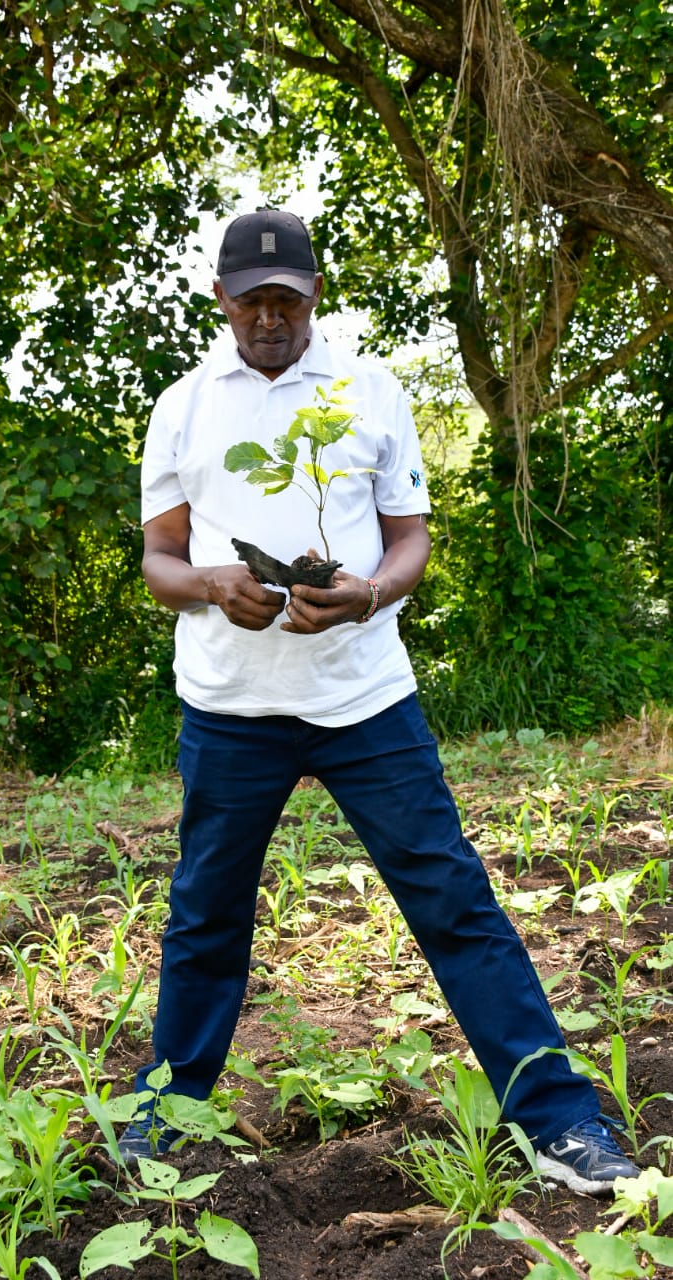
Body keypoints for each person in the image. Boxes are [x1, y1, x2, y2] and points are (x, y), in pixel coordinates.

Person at [118, 208, 640, 1194]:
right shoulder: (181, 405)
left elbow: (409, 539)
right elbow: (158, 557)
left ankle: (562, 1122)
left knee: (454, 900)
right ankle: (163, 1112)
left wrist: (367, 591)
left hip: (364, 699)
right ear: (221, 299)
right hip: (230, 706)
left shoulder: (368, 391)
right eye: (254, 300)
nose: (272, 317)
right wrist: (210, 583)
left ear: (315, 296)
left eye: (290, 299)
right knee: (205, 915)